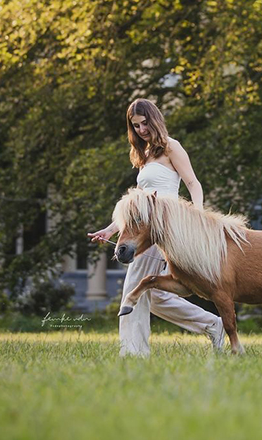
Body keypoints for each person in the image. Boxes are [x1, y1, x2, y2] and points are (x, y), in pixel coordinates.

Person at [88, 98, 226, 357]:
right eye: (135, 125)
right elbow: (137, 209)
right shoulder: (146, 154)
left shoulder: (171, 147)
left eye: (144, 123)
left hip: (164, 229)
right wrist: (110, 230)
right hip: (146, 229)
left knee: (134, 289)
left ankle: (133, 353)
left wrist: (197, 214)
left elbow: (193, 183)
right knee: (154, 296)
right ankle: (213, 325)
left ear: (154, 119)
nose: (141, 129)